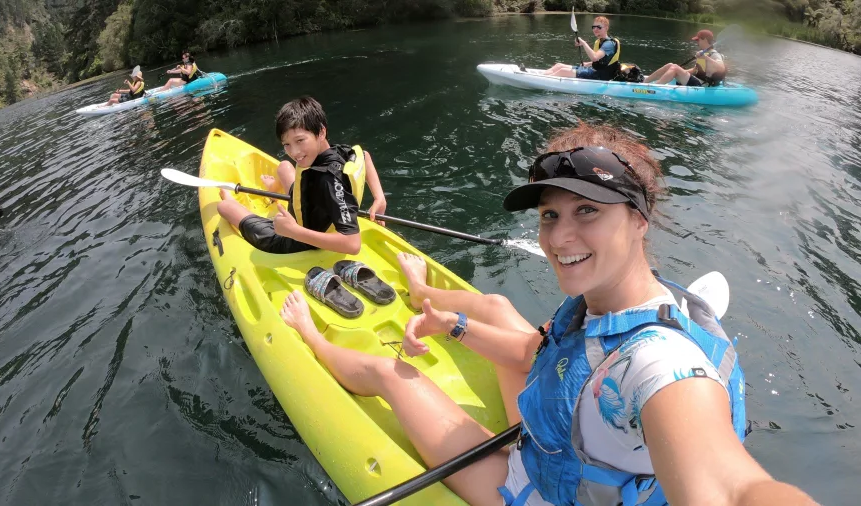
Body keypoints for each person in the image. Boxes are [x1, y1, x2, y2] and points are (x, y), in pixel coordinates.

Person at [276, 123, 818, 505]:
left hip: (534, 488)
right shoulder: (624, 302)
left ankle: (311, 335)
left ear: (638, 220)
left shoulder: (661, 367)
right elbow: (533, 353)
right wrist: (452, 327)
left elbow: (730, 488)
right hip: (565, 441)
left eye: (587, 211)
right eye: (550, 214)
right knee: (496, 306)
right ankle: (428, 299)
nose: (559, 237)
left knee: (391, 372)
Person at [217, 96, 387, 255]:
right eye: (287, 144)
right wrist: (380, 198)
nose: (294, 152)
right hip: (309, 202)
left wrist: (294, 231)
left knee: (223, 207)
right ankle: (273, 189)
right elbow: (364, 156)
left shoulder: (328, 180)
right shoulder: (339, 151)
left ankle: (234, 203)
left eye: (300, 140)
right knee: (284, 166)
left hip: (299, 240)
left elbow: (352, 244)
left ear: (321, 132)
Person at [544, 16, 621, 81]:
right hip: (595, 70)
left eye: (599, 27)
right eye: (594, 27)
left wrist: (583, 43)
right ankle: (542, 75)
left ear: (606, 28)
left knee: (562, 71)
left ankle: (543, 80)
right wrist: (588, 64)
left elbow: (594, 57)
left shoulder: (609, 44)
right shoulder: (599, 41)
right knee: (559, 65)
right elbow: (602, 61)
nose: (595, 29)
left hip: (601, 76)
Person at [644, 29, 727, 87]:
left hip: (702, 84)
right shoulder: (705, 52)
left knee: (675, 68)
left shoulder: (715, 54)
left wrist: (705, 57)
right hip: (696, 80)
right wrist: (680, 71)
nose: (697, 43)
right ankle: (644, 82)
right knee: (670, 65)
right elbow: (696, 70)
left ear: (704, 39)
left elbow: (721, 68)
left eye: (698, 40)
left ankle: (654, 88)